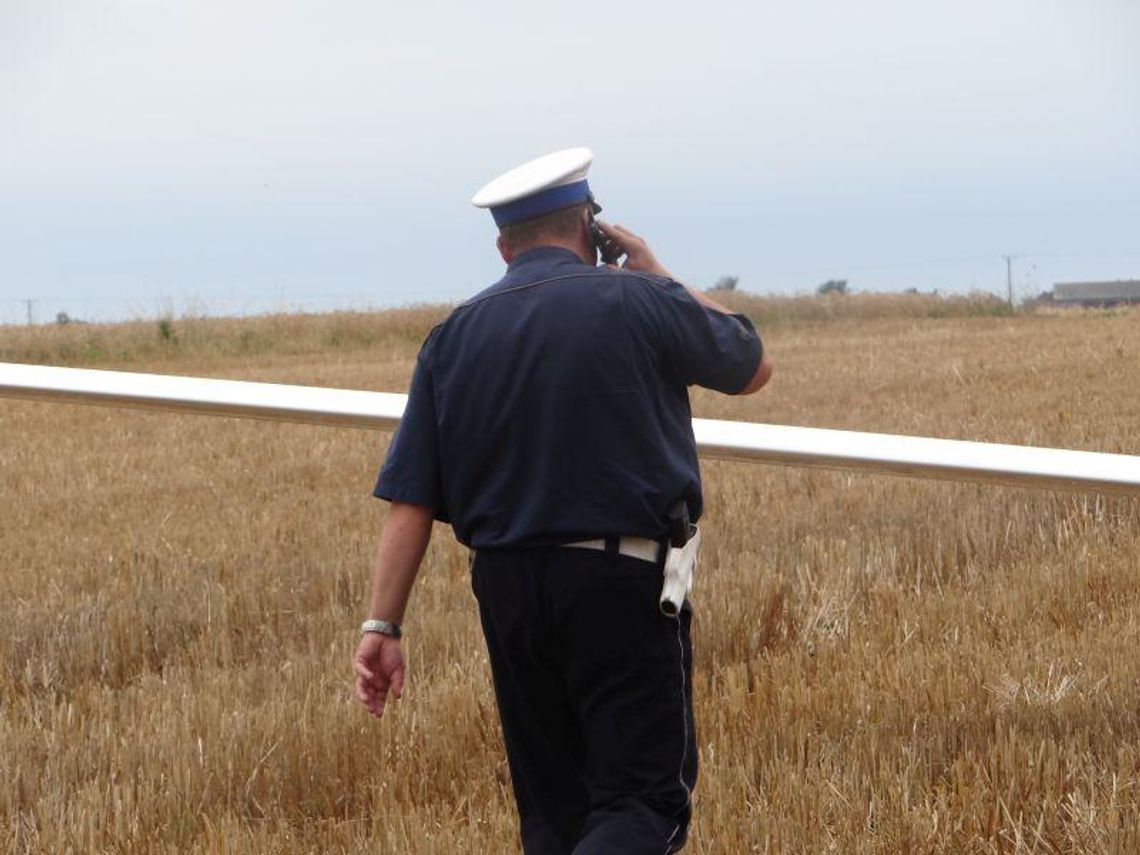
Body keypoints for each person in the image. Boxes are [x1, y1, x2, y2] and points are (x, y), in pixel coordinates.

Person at [353, 148, 773, 854]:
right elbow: (751, 364)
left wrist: (382, 625)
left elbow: (411, 500)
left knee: (554, 819)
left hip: (507, 589)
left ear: (501, 246)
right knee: (642, 802)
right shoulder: (639, 298)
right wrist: (657, 272)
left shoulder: (452, 337)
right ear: (591, 227)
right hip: (620, 581)